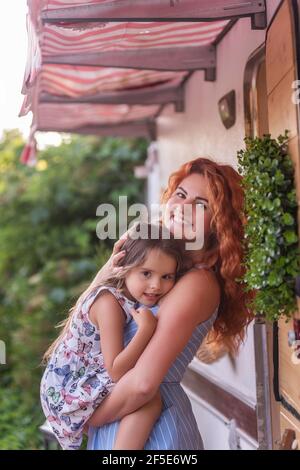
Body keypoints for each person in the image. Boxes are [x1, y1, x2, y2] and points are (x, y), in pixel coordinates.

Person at [85, 157, 254, 450]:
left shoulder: (197, 284)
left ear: (219, 225)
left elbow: (142, 385)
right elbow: (86, 317)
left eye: (201, 205)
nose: (184, 207)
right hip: (122, 415)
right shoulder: (163, 269)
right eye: (181, 194)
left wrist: (87, 418)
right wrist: (111, 270)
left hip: (153, 430)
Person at [40, 223, 188, 450]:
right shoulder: (108, 303)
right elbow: (116, 370)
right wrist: (146, 330)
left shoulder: (127, 296)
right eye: (146, 273)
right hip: (67, 391)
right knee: (149, 399)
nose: (156, 285)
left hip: (85, 381)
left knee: (145, 396)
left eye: (167, 276)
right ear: (125, 267)